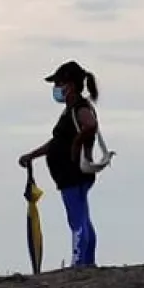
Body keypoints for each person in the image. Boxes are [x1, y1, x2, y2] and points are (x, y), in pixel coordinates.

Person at [18, 60, 101, 268]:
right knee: (82, 216)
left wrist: (76, 143)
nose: (56, 89)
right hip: (70, 173)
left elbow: (90, 125)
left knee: (77, 220)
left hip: (73, 173)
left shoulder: (79, 108)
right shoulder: (71, 110)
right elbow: (56, 143)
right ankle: (87, 261)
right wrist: (32, 155)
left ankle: (80, 262)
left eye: (58, 84)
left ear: (70, 85)